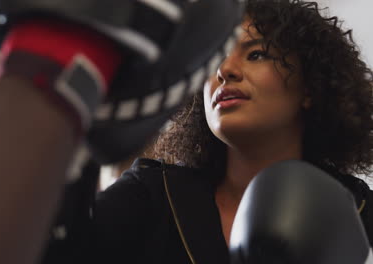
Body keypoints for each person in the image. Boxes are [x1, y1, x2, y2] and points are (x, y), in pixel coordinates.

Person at [0, 0, 242, 263]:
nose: (227, 71)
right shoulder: (154, 193)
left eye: (256, 53)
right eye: (222, 62)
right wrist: (59, 65)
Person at [73, 0, 373, 263]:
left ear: (311, 86)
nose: (224, 71)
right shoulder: (149, 196)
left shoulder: (363, 214)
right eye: (215, 59)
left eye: (256, 54)